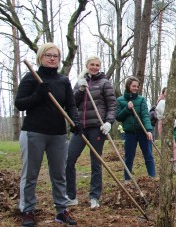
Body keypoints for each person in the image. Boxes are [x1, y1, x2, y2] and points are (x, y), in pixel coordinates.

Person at [15, 42, 78, 226]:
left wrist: (75, 123)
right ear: (41, 57)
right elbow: (20, 103)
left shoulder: (63, 80)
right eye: (48, 55)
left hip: (57, 134)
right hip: (34, 132)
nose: (52, 58)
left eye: (56, 56)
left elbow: (71, 105)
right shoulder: (32, 77)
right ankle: (27, 210)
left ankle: (61, 210)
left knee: (59, 174)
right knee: (30, 174)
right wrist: (38, 95)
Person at [65, 56, 117, 209]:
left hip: (97, 127)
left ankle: (94, 196)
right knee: (69, 160)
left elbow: (112, 104)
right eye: (92, 65)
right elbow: (72, 103)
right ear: (87, 66)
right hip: (80, 127)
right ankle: (71, 196)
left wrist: (108, 122)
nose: (94, 67)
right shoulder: (80, 82)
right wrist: (80, 90)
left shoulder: (104, 83)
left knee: (96, 162)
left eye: (97, 65)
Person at [116, 77, 156, 179]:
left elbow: (145, 116)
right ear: (128, 86)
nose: (136, 88)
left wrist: (149, 130)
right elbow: (118, 117)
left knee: (149, 156)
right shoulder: (120, 100)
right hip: (129, 133)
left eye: (137, 86)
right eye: (134, 86)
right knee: (129, 157)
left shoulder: (141, 99)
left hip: (143, 132)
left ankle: (152, 178)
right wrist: (127, 109)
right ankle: (127, 179)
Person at [155, 87, 176, 172]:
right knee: (169, 144)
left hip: (169, 124)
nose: (168, 94)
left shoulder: (169, 102)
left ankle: (173, 163)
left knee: (172, 144)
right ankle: (170, 164)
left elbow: (173, 113)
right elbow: (166, 116)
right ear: (163, 93)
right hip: (164, 124)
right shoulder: (162, 102)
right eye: (166, 92)